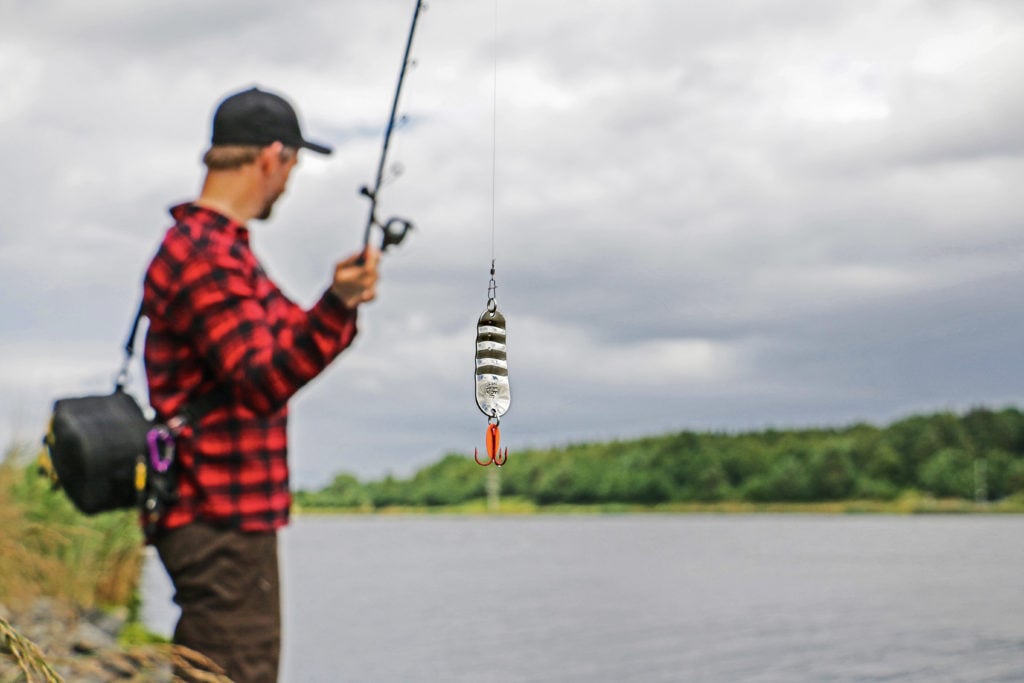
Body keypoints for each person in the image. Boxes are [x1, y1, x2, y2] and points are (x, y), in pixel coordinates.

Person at [141, 86, 379, 683]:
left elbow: (281, 341)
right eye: (292, 165)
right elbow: (262, 378)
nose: (290, 181)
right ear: (271, 157)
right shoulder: (204, 256)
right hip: (218, 517)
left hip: (228, 516)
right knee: (234, 672)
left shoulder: (224, 251)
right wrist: (338, 305)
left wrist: (337, 300)